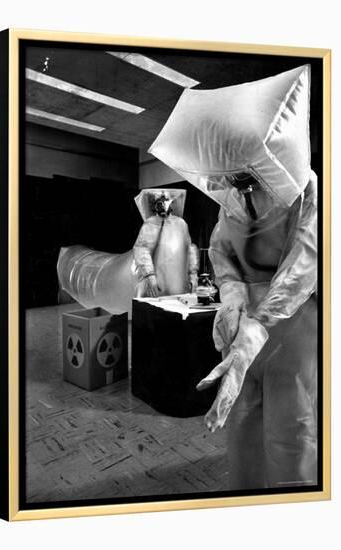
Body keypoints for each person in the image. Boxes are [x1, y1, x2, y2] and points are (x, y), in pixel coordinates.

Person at [147, 65, 318, 489]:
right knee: (243, 424)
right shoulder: (231, 197)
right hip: (244, 322)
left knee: (290, 428)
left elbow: (305, 263)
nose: (234, 184)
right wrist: (232, 291)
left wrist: (256, 326)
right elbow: (222, 249)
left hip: (293, 325)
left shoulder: (306, 189)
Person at [133, 189, 199, 298]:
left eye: (165, 201)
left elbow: (189, 250)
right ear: (155, 205)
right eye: (159, 202)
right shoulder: (150, 224)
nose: (163, 205)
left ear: (171, 203)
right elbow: (142, 249)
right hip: (158, 283)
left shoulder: (181, 224)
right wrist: (150, 275)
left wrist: (193, 274)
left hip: (179, 282)